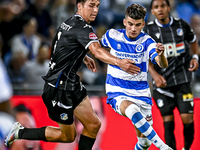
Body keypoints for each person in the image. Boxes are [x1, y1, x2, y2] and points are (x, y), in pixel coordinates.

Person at [5, 0, 141, 150]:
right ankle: (20, 131)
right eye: (91, 5)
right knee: (68, 136)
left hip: (71, 83)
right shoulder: (82, 28)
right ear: (79, 6)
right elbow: (96, 50)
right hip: (58, 88)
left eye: (97, 6)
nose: (95, 10)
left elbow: (61, 45)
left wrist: (82, 56)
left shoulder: (69, 22)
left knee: (94, 124)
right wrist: (119, 62)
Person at [100, 3, 172, 150]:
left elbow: (162, 64)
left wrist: (161, 55)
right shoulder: (113, 35)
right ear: (125, 22)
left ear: (143, 24)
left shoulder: (147, 42)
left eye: (137, 25)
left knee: (144, 143)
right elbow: (96, 48)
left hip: (141, 93)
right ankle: (163, 146)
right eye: (130, 24)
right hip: (117, 90)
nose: (133, 29)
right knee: (131, 110)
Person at [143, 0, 199, 150]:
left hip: (182, 80)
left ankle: (186, 148)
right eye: (156, 7)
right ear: (152, 11)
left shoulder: (181, 25)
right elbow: (142, 56)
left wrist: (195, 57)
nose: (160, 9)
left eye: (162, 6)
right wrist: (154, 74)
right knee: (168, 122)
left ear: (168, 7)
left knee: (187, 119)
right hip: (163, 84)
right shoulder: (148, 31)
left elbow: (193, 41)